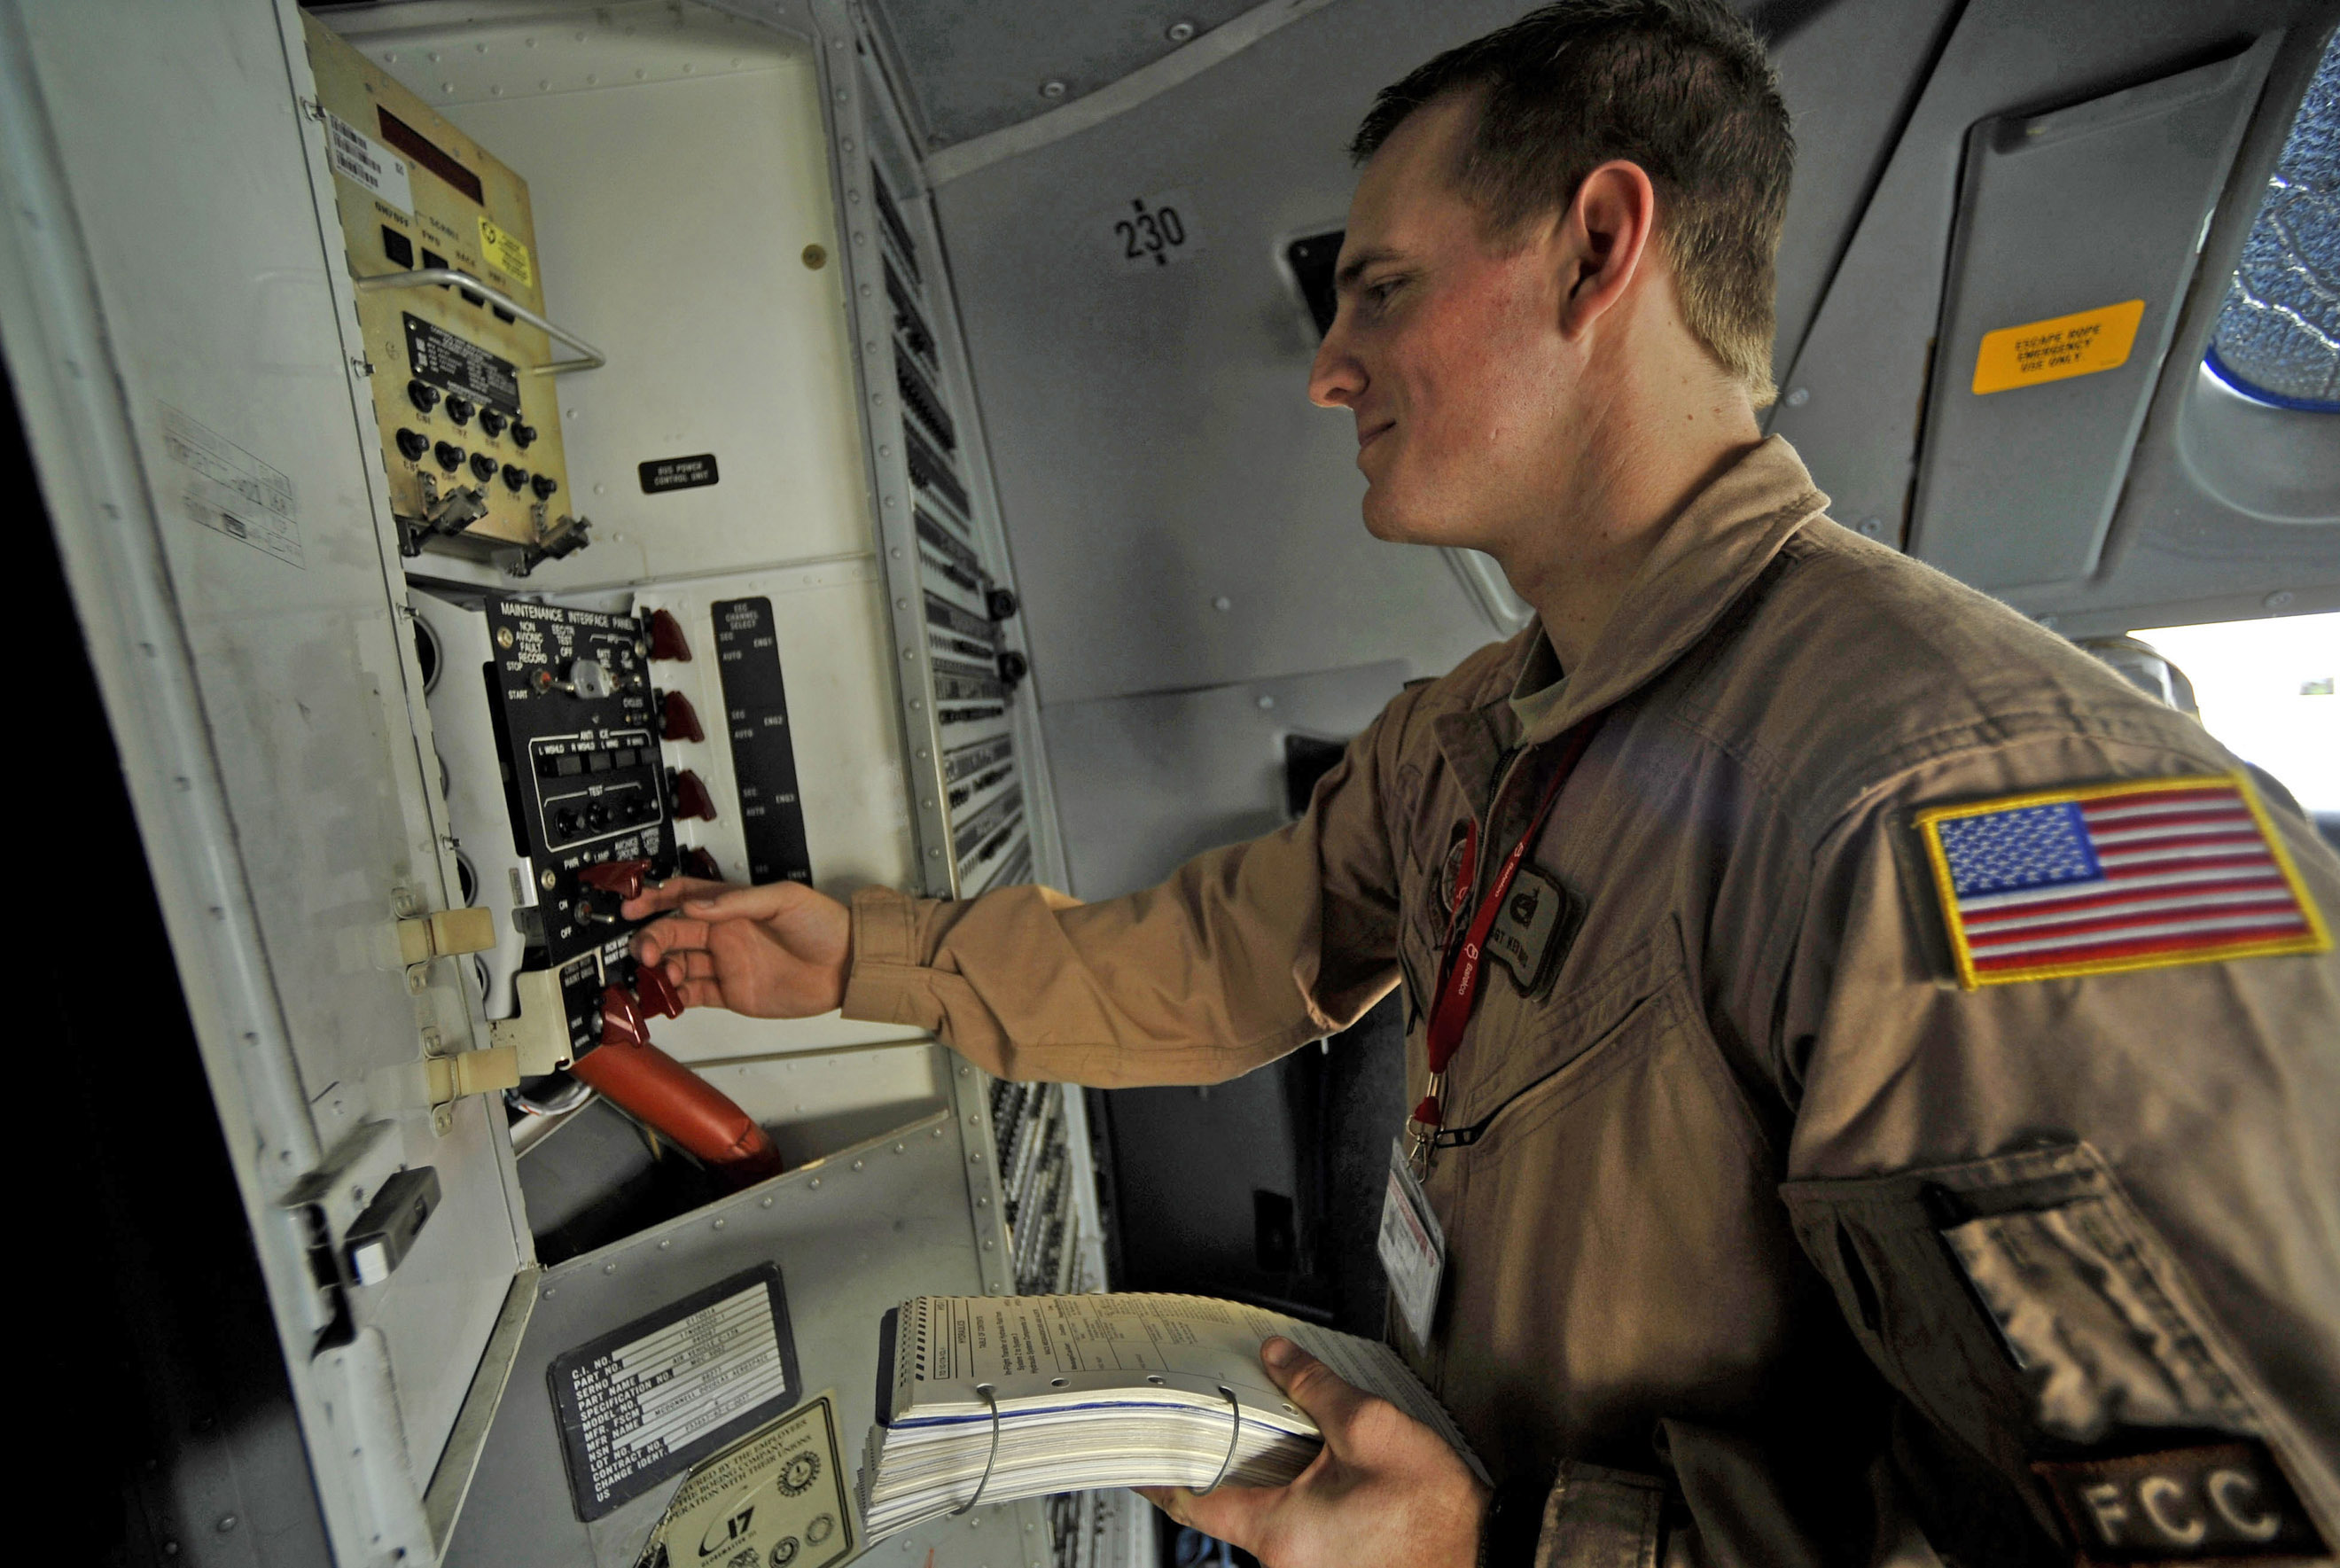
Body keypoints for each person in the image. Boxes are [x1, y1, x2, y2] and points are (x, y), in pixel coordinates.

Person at [626, 3, 2340, 1563]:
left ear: (1600, 249)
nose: (1328, 367)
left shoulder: (1970, 811)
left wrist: (1502, 1548)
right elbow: (1216, 957)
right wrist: (853, 961)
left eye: (1380, 291)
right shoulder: (1478, 729)